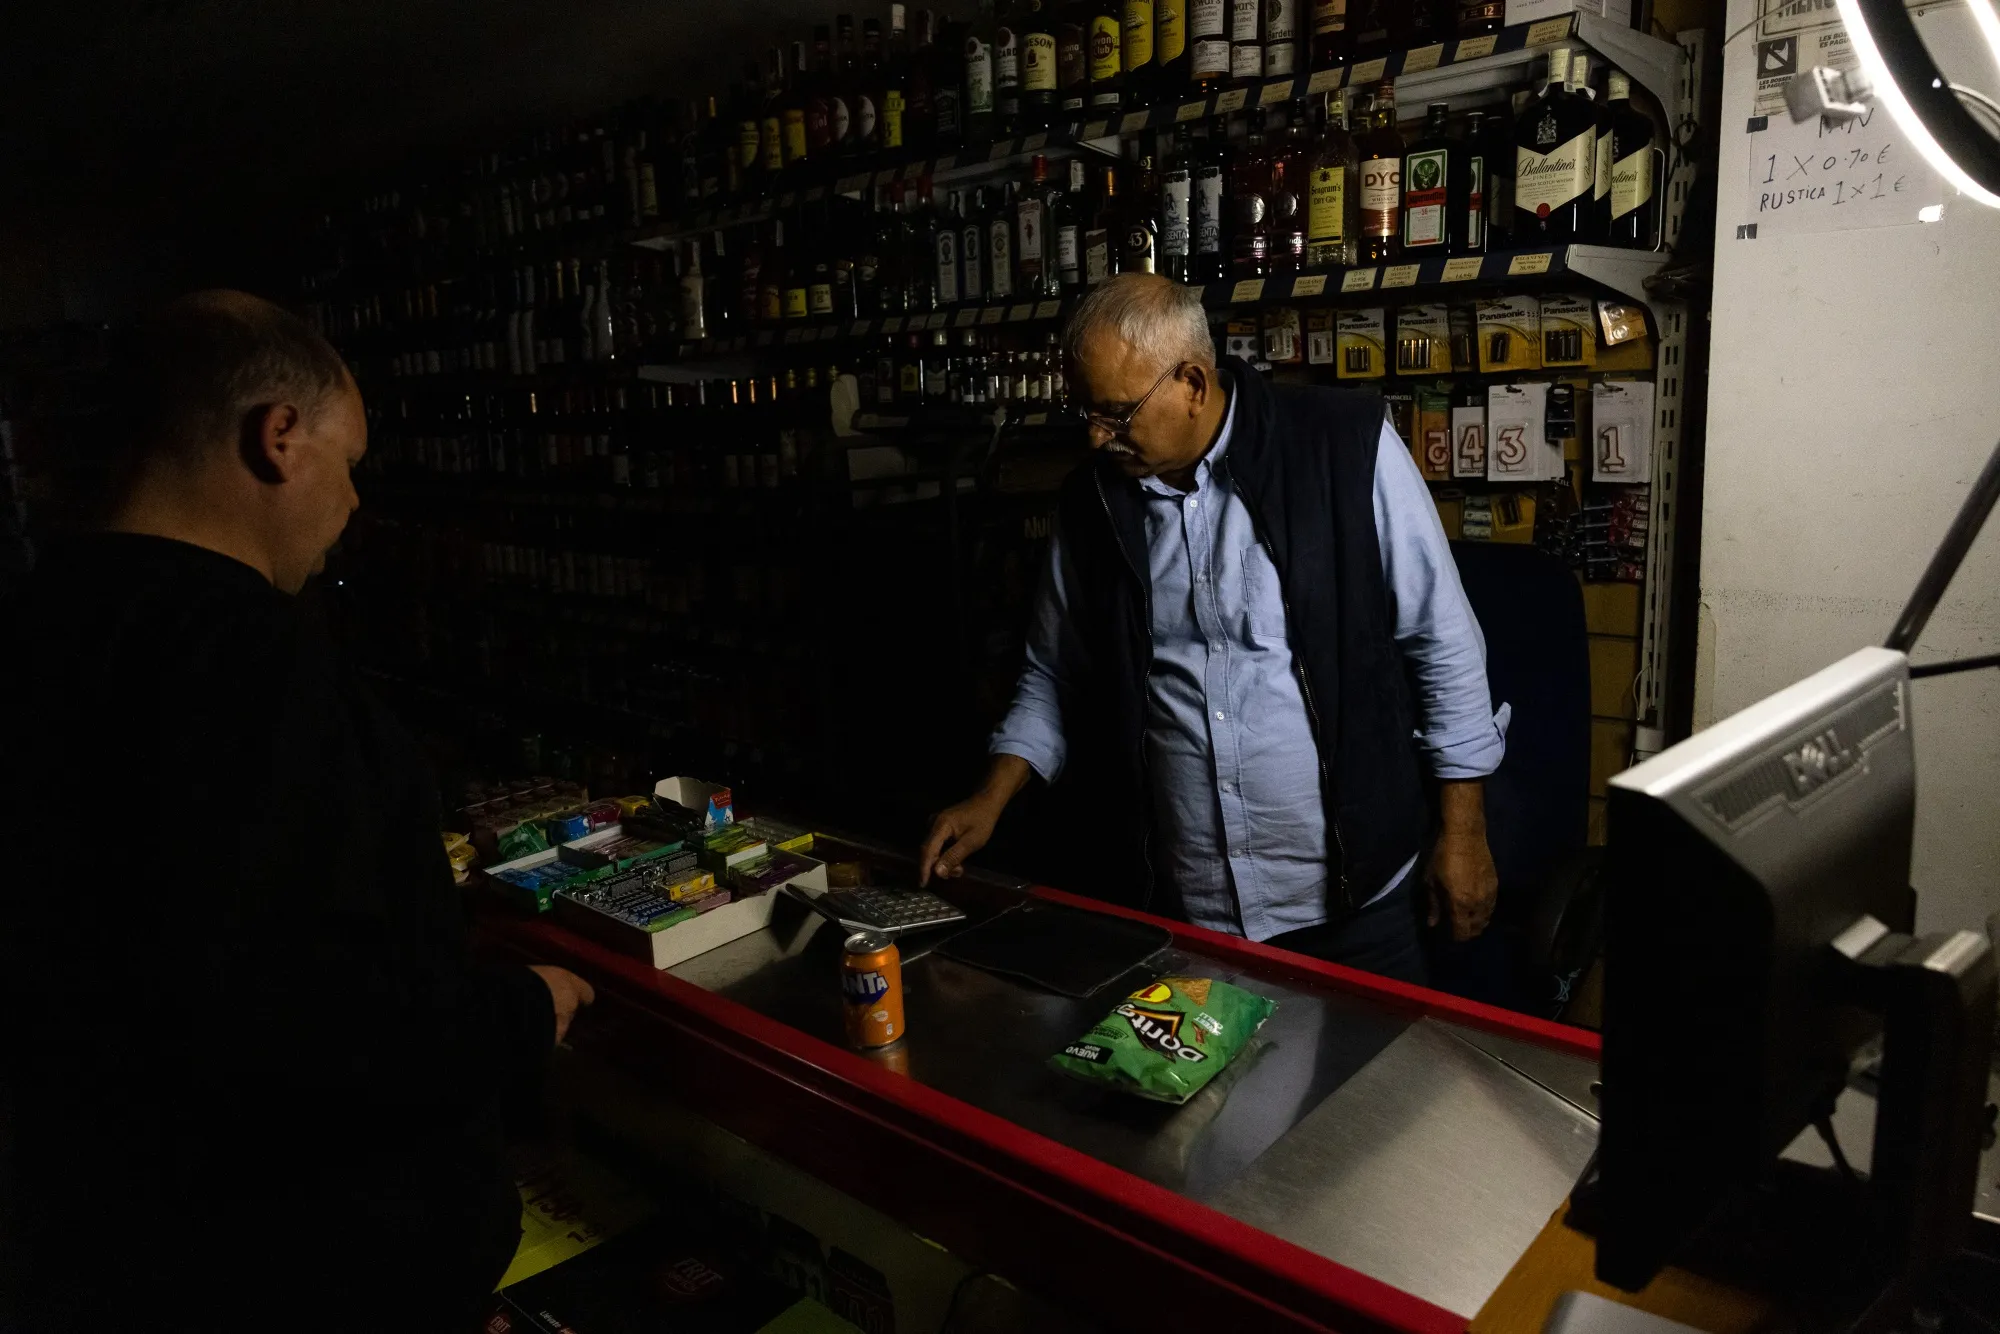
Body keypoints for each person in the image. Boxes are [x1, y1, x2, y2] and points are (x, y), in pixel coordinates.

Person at [0, 291, 596, 1330]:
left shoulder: (40, 623)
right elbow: (311, 1025)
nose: (355, 502)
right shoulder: (248, 666)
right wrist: (525, 1008)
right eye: (350, 460)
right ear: (279, 438)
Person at [919, 274, 1507, 983]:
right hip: (1188, 907)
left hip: (1361, 904)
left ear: (1193, 382)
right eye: (1088, 412)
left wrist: (1465, 833)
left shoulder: (1344, 446)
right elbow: (1053, 673)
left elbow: (1441, 642)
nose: (1097, 437)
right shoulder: (1092, 505)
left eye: (1115, 413)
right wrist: (992, 797)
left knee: (1378, 1093)